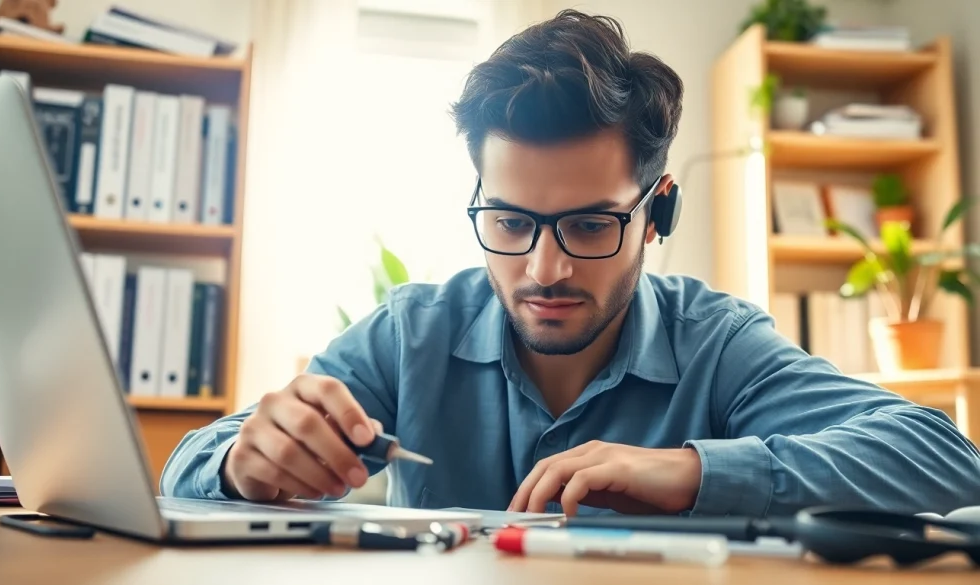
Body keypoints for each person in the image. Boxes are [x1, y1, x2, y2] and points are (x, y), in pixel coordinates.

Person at [160, 10, 980, 517]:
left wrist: (693, 471)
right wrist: (240, 461)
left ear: (657, 212)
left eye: (590, 224)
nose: (544, 268)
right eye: (511, 221)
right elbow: (185, 467)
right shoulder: (413, 332)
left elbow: (946, 458)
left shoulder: (719, 346)